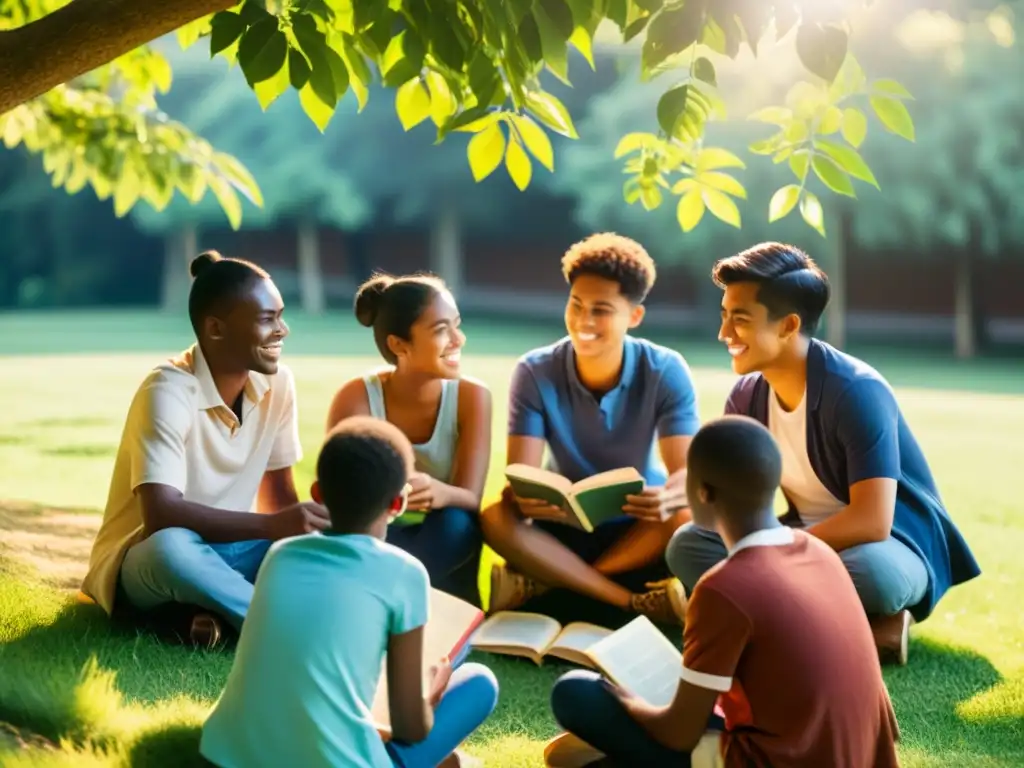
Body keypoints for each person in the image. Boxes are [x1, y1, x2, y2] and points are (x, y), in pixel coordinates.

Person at [667, 242, 981, 664]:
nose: (724, 334)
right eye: (724, 316)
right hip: (800, 538)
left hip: (885, 546)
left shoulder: (856, 391)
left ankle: (768, 624)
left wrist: (772, 553)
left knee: (875, 577)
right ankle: (857, 632)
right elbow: (736, 506)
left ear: (788, 325)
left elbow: (872, 520)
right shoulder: (745, 398)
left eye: (739, 319)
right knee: (687, 546)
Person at [547, 416, 901, 768]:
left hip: (773, 758)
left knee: (575, 693)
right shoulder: (819, 552)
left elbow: (678, 734)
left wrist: (621, 696)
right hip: (858, 754)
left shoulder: (723, 588)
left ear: (703, 492)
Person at [199, 415, 499, 768]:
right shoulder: (405, 573)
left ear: (318, 494)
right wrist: (428, 693)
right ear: (398, 504)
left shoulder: (280, 555)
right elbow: (409, 727)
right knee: (480, 682)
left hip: (225, 756)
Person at [80, 251, 328, 647]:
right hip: (150, 561)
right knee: (172, 548)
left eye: (280, 316)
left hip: (229, 551)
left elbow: (279, 497)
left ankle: (201, 621)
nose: (283, 330)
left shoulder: (279, 384)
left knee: (320, 548)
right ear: (215, 329)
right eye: (267, 319)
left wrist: (302, 537)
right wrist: (271, 527)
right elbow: (161, 515)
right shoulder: (167, 390)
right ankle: (288, 631)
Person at [480, 233, 700, 627]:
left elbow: (685, 474)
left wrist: (668, 496)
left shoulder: (666, 369)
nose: (583, 321)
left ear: (634, 316)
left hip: (636, 526)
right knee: (497, 517)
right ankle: (628, 601)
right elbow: (523, 473)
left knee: (684, 516)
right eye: (576, 305)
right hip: (559, 522)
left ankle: (551, 584)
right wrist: (528, 496)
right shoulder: (534, 370)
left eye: (601, 310)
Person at [326, 272, 490, 603]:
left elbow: (471, 498)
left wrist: (440, 493)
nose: (458, 339)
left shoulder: (472, 397)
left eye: (456, 325)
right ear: (399, 345)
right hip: (378, 531)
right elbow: (338, 498)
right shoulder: (356, 397)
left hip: (444, 540)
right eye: (442, 330)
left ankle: (375, 599)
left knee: (456, 522)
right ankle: (385, 599)